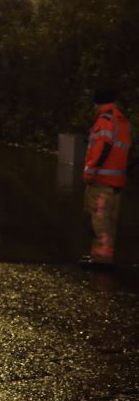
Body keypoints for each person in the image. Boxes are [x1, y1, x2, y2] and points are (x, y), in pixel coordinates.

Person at [81, 88, 132, 268]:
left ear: (97, 103)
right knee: (109, 220)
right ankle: (104, 256)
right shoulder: (122, 121)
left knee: (98, 219)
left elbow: (101, 149)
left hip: (101, 181)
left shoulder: (105, 121)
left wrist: (90, 171)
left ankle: (101, 260)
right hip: (116, 181)